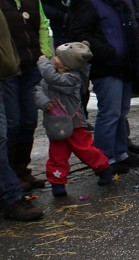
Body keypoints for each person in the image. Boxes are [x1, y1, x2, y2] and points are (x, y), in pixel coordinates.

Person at [66, 0, 139, 176]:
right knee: (109, 112)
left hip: (125, 61)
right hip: (107, 64)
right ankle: (104, 158)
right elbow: (80, 32)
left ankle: (120, 152)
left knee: (121, 110)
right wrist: (107, 51)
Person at [0, 0, 53, 191]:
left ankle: (22, 169)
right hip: (8, 69)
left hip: (31, 65)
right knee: (13, 123)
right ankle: (10, 177)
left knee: (30, 120)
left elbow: (42, 23)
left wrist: (45, 54)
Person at [35, 42, 113, 196]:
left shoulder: (73, 78)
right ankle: (57, 182)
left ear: (68, 63)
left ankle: (103, 167)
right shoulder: (49, 77)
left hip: (75, 122)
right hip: (56, 124)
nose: (54, 59)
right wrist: (44, 102)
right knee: (57, 154)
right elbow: (38, 90)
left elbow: (54, 80)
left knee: (85, 149)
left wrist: (43, 63)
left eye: (58, 57)